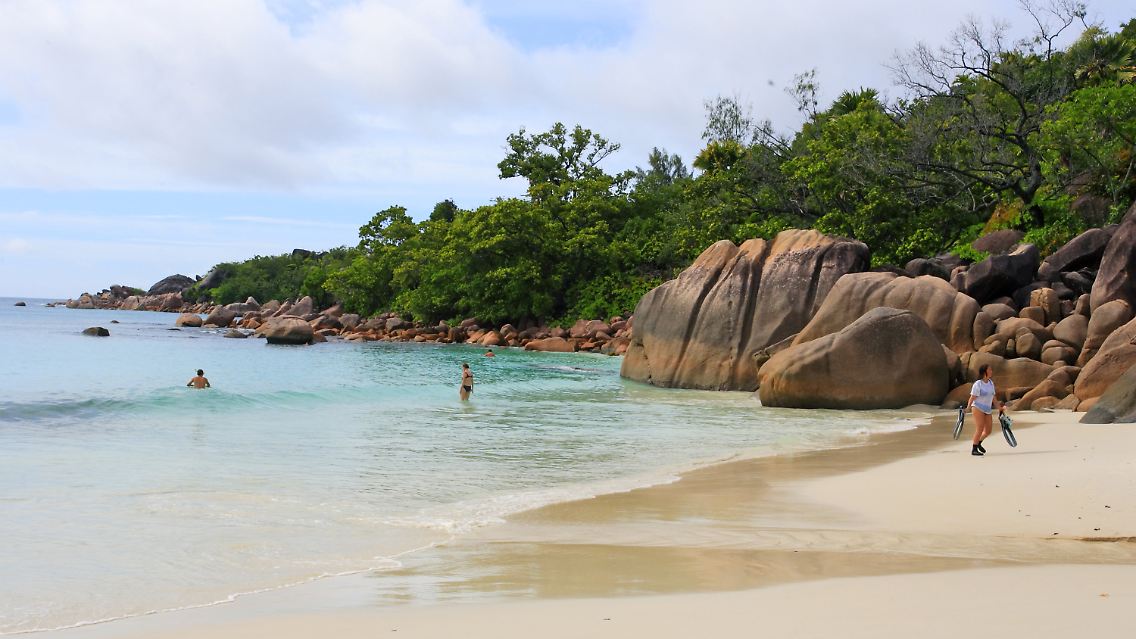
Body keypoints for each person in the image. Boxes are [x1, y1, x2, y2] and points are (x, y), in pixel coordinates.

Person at [965, 364, 1004, 456]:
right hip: (977, 407)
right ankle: (974, 449)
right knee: (980, 428)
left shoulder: (990, 383)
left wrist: (999, 408)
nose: (991, 371)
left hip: (987, 409)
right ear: (984, 372)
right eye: (989, 370)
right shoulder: (978, 384)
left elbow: (993, 397)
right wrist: (968, 407)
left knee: (988, 431)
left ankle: (978, 443)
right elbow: (972, 397)